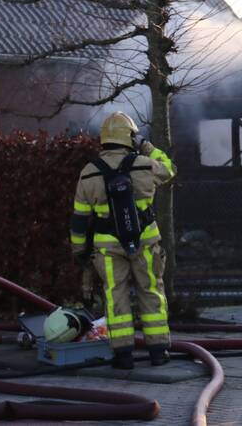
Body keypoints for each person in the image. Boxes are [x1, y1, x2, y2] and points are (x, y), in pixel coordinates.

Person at [71, 111, 176, 369]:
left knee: (115, 297)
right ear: (130, 137)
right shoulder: (144, 163)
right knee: (151, 292)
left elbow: (80, 219)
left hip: (107, 248)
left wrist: (79, 251)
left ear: (104, 138)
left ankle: (124, 355)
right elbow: (170, 169)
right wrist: (148, 146)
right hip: (146, 242)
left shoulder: (88, 173)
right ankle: (158, 352)